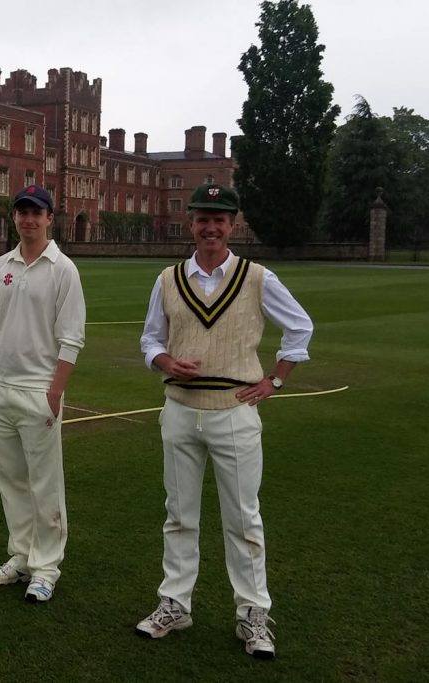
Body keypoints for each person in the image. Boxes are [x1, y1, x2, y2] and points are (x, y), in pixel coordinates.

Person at [134, 182, 314, 659]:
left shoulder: (257, 277)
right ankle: (175, 603)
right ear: (190, 223)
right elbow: (151, 339)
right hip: (178, 410)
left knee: (243, 518)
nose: (210, 227)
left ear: (233, 225)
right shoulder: (169, 279)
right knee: (179, 514)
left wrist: (274, 381)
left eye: (220, 219)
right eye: (202, 218)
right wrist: (165, 362)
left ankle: (252, 613)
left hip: (234, 411)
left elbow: (300, 326)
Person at [0, 185, 86, 603]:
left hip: (37, 392)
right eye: (22, 212)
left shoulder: (63, 270)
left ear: (49, 218)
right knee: (11, 481)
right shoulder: (0, 266)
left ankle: (46, 567)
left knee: (45, 484)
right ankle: (20, 555)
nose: (28, 219)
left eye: (35, 213)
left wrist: (54, 392)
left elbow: (71, 338)